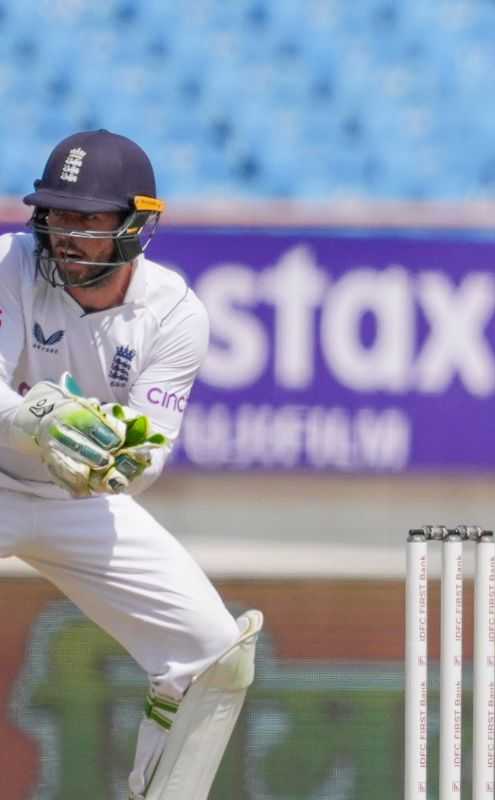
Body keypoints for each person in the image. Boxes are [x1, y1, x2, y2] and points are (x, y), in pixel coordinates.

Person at [0, 129, 261, 799]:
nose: (67, 234)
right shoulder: (9, 262)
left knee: (213, 659)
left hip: (78, 501)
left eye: (88, 219)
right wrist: (38, 418)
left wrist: (109, 461)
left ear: (134, 225)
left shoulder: (175, 314)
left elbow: (147, 456)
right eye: (58, 215)